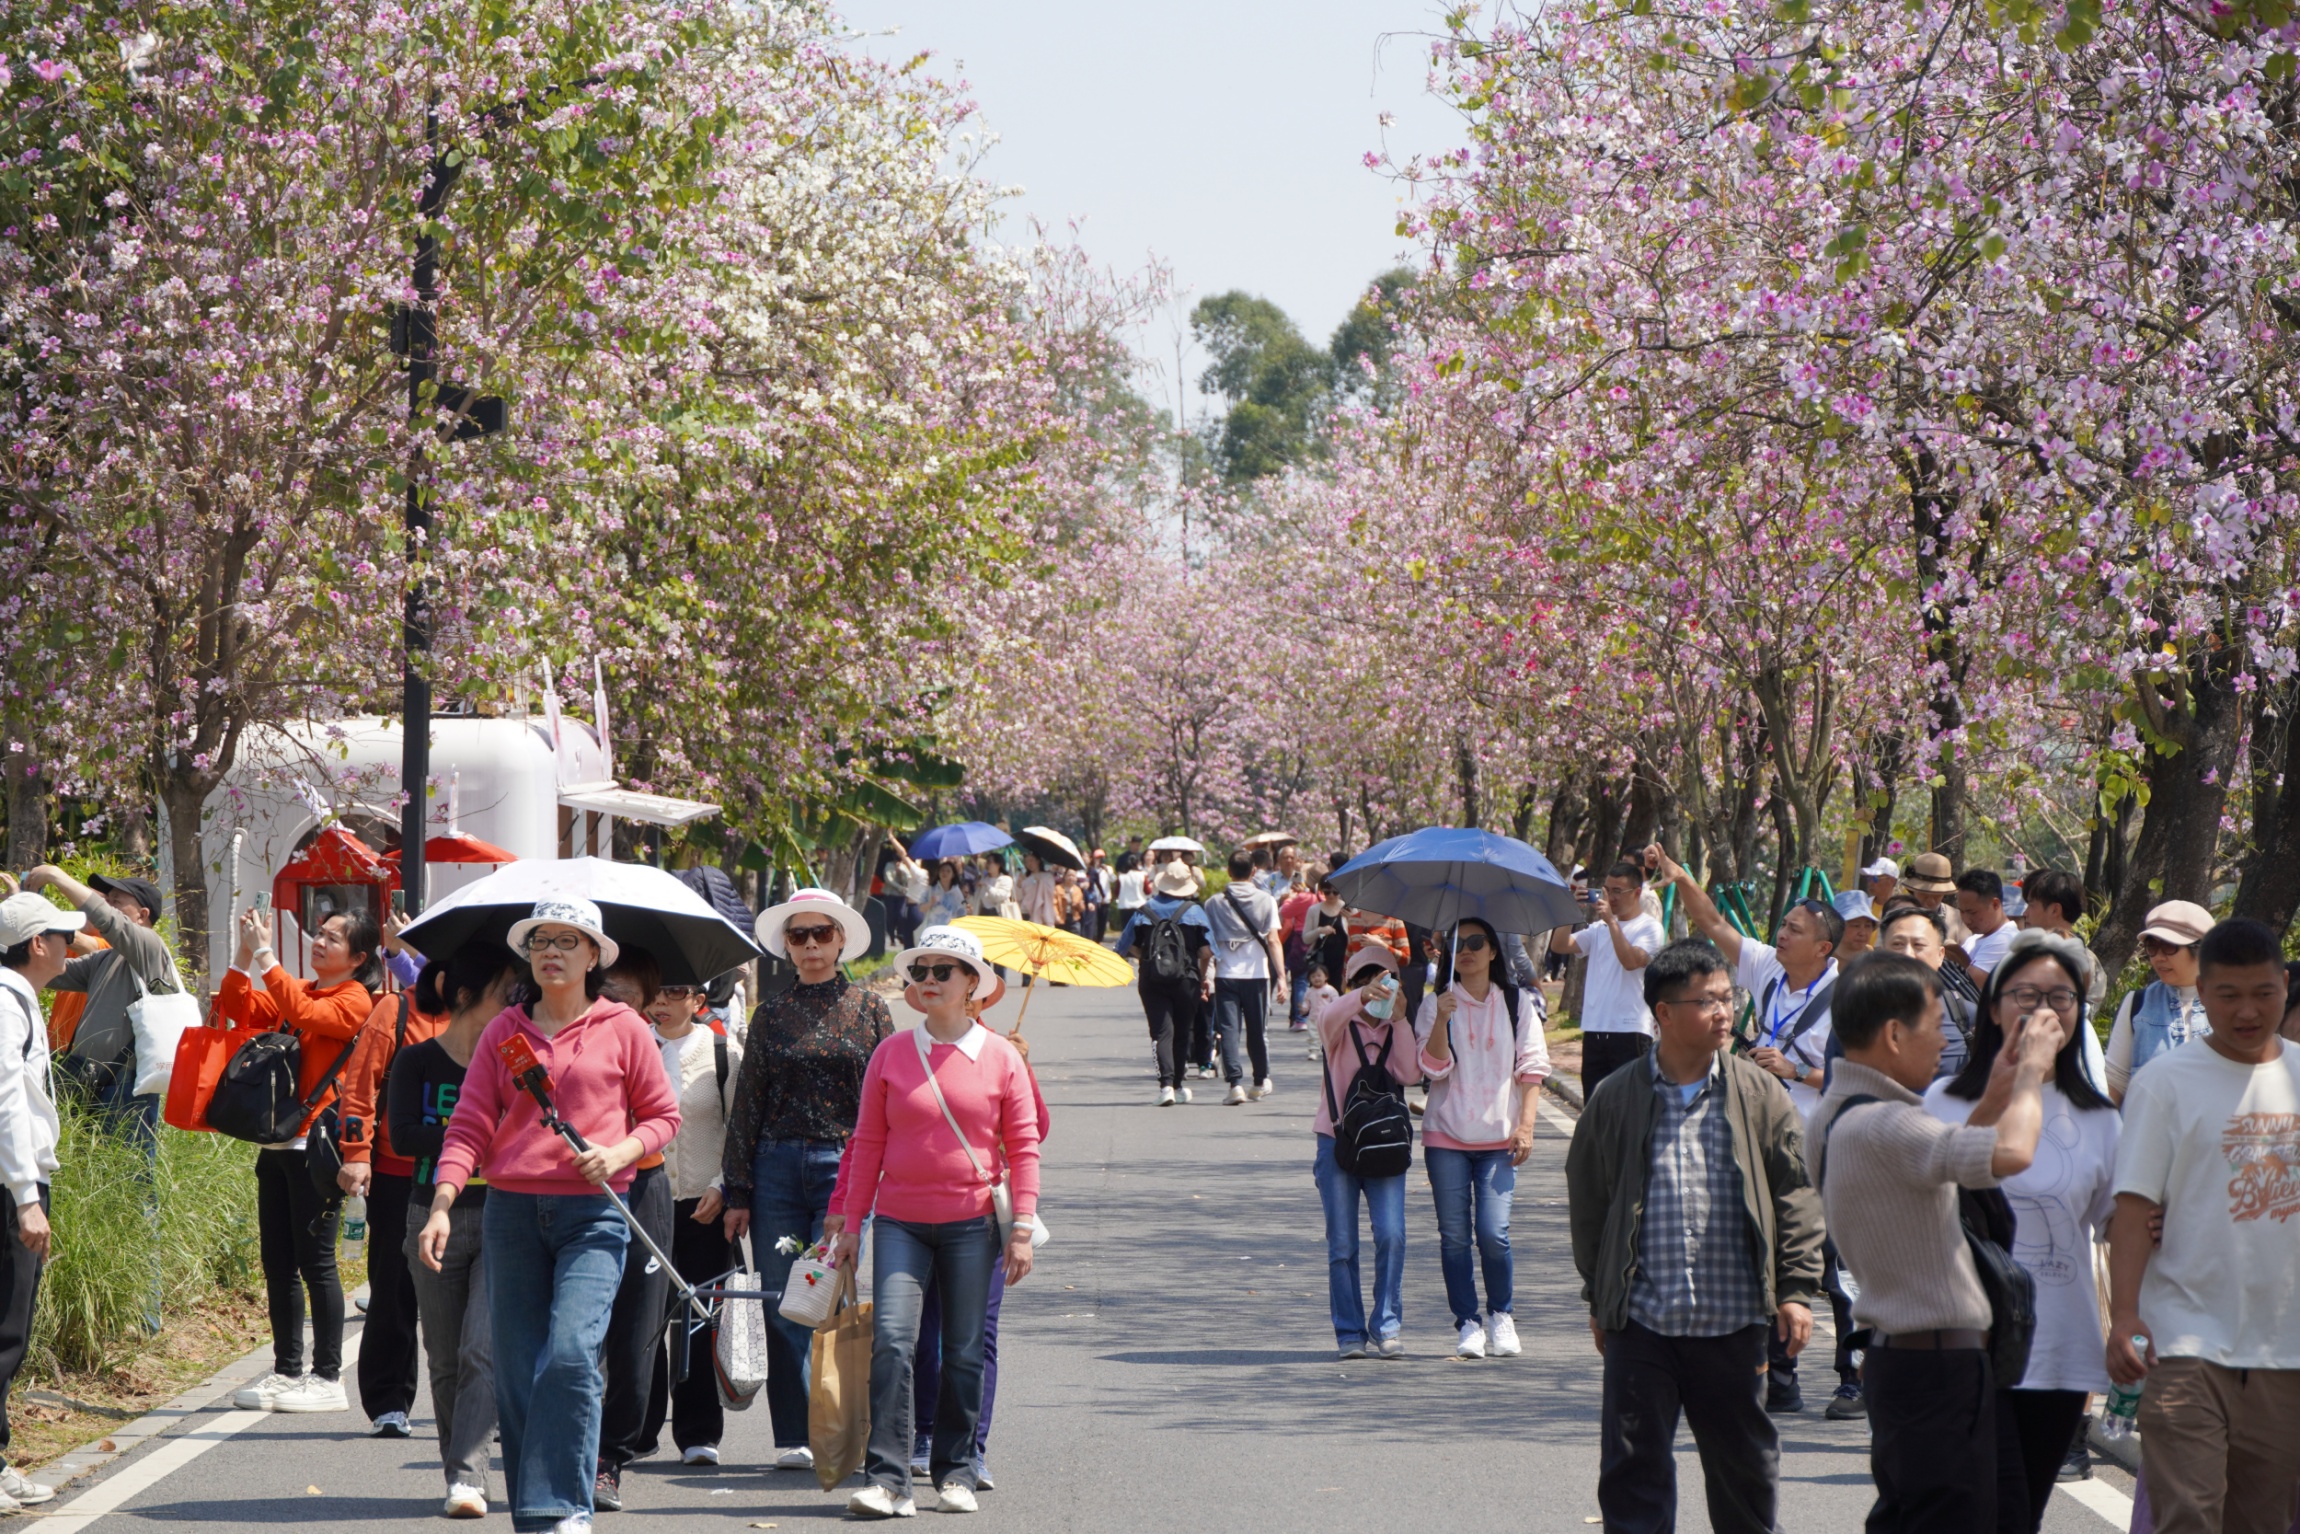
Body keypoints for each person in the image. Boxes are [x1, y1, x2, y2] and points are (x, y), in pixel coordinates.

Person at [424, 897, 681, 1534]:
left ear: (594, 955)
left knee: (570, 1354)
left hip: (596, 1213)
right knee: (516, 1364)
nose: (552, 952)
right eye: (541, 941)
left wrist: (619, 1150)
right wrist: (442, 1203)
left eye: (569, 941)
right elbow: (468, 1126)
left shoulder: (624, 1027)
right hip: (510, 1212)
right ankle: (541, 1512)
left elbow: (662, 1117)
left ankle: (568, 1501)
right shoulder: (503, 1032)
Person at [1566, 939, 1824, 1534]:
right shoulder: (1615, 1099)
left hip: (1733, 1320)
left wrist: (1794, 1289)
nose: (1724, 1012)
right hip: (1643, 1321)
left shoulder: (1758, 1093)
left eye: (1727, 997)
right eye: (1706, 1000)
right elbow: (1591, 1206)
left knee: (1745, 1477)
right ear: (1663, 1013)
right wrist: (1600, 1296)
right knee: (1633, 1477)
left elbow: (1796, 1192)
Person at [1811, 952, 2061, 1534]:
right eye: (1937, 1025)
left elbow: (1940, 1165)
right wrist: (2030, 1075)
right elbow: (2012, 1154)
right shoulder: (1888, 1125)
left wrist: (1996, 1091)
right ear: (1895, 1035)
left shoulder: (1838, 1113)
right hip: (1937, 1369)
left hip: (1906, 1363)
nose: (1944, 1039)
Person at [826, 926, 1041, 1519]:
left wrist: (1021, 1226)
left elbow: (1024, 1146)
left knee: (964, 1350)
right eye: (920, 971)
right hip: (899, 1222)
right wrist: (850, 1224)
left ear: (972, 983)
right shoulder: (891, 1053)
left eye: (942, 971)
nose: (927, 981)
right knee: (893, 1342)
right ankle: (888, 1480)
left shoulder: (1000, 1057)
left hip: (975, 1225)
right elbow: (868, 1141)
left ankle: (957, 1471)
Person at [2106, 918, 2300, 1534]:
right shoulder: (2164, 1082)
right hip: (2184, 1341)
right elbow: (2134, 1208)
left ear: (2284, 986)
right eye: (2229, 995)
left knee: (2263, 1521)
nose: (2247, 1011)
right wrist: (2126, 1316)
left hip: (2285, 1348)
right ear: (2203, 991)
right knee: (2187, 1513)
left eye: (2264, 994)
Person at [1923, 932, 2118, 1534]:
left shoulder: (2101, 1118)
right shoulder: (1945, 1100)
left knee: (2022, 1512)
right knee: (1991, 1510)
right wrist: (2024, 1074)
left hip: (2058, 1348)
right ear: (1993, 1006)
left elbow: (2118, 1224)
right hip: (1966, 1344)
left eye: (2061, 997)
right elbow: (1935, 1198)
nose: (2043, 1010)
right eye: (2025, 994)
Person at [719, 887, 886, 1473]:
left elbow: (885, 1103)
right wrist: (737, 1191)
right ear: (786, 947)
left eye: (822, 934)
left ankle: (837, 1431)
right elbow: (748, 1106)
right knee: (783, 1305)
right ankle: (794, 1435)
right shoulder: (770, 1014)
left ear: (842, 939)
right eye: (799, 936)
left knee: (831, 1301)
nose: (811, 945)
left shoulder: (870, 1009)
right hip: (775, 1171)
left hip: (843, 1171)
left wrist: (876, 1182)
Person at [216, 902, 380, 1416]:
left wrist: (266, 953)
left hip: (317, 1147)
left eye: (333, 938)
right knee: (278, 1263)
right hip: (278, 1143)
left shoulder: (355, 999)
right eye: (320, 933)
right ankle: (287, 1370)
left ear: (357, 957)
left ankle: (328, 1376)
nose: (320, 941)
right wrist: (244, 956)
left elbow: (307, 1016)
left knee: (316, 1263)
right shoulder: (302, 990)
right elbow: (237, 1007)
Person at [388, 945, 519, 1519]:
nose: (517, 1003)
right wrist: (467, 1135)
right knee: (443, 1357)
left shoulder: (517, 1058)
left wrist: (483, 1140)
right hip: (431, 1214)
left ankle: (469, 1476)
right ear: (467, 995)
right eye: (506, 993)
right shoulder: (417, 1062)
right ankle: (458, 1467)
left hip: (502, 1215)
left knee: (482, 1350)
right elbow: (402, 1136)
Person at [907, 1026, 1050, 1491]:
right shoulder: (912, 1048)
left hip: (983, 1217)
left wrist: (1024, 1069)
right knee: (924, 1336)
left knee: (976, 1337)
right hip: (917, 1214)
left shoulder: (1000, 1052)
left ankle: (972, 1448)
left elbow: (1036, 1132)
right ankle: (926, 1435)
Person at [1413, 916, 1550, 1360]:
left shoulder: (1516, 1002)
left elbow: (1532, 1068)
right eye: (1457, 943)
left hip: (1498, 1138)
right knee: (1454, 1236)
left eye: (1476, 942)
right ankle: (1468, 1322)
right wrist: (1441, 1020)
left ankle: (1501, 1314)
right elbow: (1432, 1070)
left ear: (1494, 951)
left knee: (1493, 1233)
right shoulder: (1436, 1005)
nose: (1467, 949)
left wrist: (1525, 1126)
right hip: (1446, 1136)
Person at [336, 939, 445, 1441]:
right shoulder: (395, 1009)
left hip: (482, 1179)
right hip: (402, 1176)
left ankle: (477, 1401)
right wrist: (357, 1154)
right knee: (395, 1291)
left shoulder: (499, 1017)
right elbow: (361, 1087)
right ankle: (388, 1401)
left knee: (475, 1299)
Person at [638, 974, 739, 1469]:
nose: (661, 1002)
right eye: (654, 992)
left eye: (673, 992)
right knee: (642, 1318)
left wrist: (723, 1185)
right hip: (643, 1202)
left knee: (700, 1319)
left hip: (705, 1202)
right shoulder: (632, 1046)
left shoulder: (724, 1053)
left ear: (698, 1001)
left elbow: (740, 1129)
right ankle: (639, 1427)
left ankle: (699, 1431)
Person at [592, 950, 677, 1511]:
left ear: (649, 999)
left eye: (628, 992)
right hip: (569, 1196)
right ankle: (564, 1441)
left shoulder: (648, 1041)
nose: (614, 999)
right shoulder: (548, 1030)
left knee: (636, 1332)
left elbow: (664, 1119)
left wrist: (624, 1148)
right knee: (572, 1333)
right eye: (606, 989)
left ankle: (609, 1457)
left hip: (642, 1192)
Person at [0, 895, 72, 1510]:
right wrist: (27, 1198)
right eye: (62, 936)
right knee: (6, 1328)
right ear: (35, 944)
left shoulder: (17, 999)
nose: (70, 947)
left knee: (9, 1326)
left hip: (13, 1182)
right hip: (8, 1186)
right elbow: (4, 1103)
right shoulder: (6, 1003)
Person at [1313, 944, 1418, 1359]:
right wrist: (1359, 997)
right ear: (1351, 985)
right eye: (1366, 980)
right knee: (1342, 1244)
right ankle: (1350, 1333)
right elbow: (1327, 1018)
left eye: (1385, 980)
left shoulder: (1395, 1028)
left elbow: (1410, 1072)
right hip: (1335, 1141)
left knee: (1392, 1234)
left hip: (1384, 1144)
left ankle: (1387, 1324)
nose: (1377, 989)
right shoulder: (1337, 1023)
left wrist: (1401, 1018)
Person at [21, 867, 177, 1142]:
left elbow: (109, 922)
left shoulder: (151, 948)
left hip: (126, 1086)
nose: (107, 906)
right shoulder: (106, 958)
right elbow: (47, 968)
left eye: (117, 901)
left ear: (142, 916)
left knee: (130, 1177)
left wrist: (57, 877)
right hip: (86, 1080)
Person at [1547, 859, 1665, 1093]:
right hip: (1595, 1029)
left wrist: (1611, 920)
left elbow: (1631, 961)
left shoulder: (1649, 928)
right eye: (1607, 890)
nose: (1611, 898)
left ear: (1637, 892)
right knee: (1594, 1106)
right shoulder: (1598, 929)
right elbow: (1560, 945)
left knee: (1628, 1108)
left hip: (1630, 1030)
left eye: (1618, 892)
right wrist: (1570, 911)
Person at [1111, 860, 1214, 1106]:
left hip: (1151, 978)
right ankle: (1178, 1084)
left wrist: (1149, 956)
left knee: (1161, 1032)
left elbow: (1123, 947)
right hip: (1187, 979)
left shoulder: (1144, 911)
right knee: (1182, 1032)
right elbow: (1208, 950)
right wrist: (1197, 971)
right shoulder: (1195, 911)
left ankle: (1165, 1086)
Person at [2102, 899, 2212, 1105]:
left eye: (2169, 947)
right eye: (2151, 947)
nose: (2158, 958)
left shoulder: (2230, 1005)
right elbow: (2115, 1081)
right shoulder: (2138, 1003)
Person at [1205, 850, 1284, 1105]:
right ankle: (1260, 1081)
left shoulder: (1213, 903)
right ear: (1254, 871)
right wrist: (1282, 977)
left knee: (1228, 1030)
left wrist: (1204, 975)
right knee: (1257, 1030)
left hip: (1225, 972)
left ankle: (1235, 1084)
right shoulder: (1267, 899)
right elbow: (1273, 940)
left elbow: (1208, 944)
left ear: (1228, 871)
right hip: (1257, 974)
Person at [1876, 903, 1979, 1082]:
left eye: (1919, 945)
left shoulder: (1965, 1013)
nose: (1907, 954)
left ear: (1940, 955)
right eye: (1897, 944)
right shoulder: (1856, 1012)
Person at [2015, 871, 2105, 1010]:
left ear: (2055, 910)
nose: (2025, 913)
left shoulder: (2084, 962)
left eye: (2031, 905)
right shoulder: (2027, 951)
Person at [1953, 869, 2015, 981]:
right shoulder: (1973, 940)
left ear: (1995, 904)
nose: (1967, 920)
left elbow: (1966, 985)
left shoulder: (2006, 940)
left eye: (1972, 912)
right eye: (1962, 912)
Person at [1900, 852, 1972, 945]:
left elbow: (1966, 956)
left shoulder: (1958, 919)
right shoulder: (1897, 915)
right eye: (1923, 894)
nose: (1930, 901)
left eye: (1937, 895)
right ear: (1913, 890)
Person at [918, 861, 969, 930]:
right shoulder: (931, 889)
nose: (944, 873)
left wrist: (968, 909)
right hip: (932, 929)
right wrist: (930, 903)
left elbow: (963, 909)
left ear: (953, 875)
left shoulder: (956, 892)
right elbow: (921, 908)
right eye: (942, 870)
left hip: (949, 930)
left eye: (948, 871)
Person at [1014, 850, 1057, 928]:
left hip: (1042, 913)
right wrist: (1019, 885)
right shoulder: (1024, 877)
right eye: (1026, 862)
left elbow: (1050, 893)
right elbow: (1019, 897)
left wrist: (1040, 882)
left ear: (1038, 861)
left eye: (1031, 860)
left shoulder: (1047, 876)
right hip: (1026, 912)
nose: (1029, 864)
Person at [1833, 889, 1879, 955]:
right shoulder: (1823, 960)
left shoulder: (1875, 959)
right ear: (1838, 927)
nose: (1862, 933)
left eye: (1867, 926)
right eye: (1856, 925)